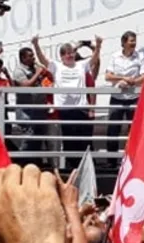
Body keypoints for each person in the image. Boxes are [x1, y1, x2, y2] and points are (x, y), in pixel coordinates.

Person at [32, 35, 102, 169]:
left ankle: (86, 167)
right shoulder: (56, 66)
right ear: (62, 56)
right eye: (67, 54)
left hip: (81, 108)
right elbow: (43, 60)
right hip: (65, 110)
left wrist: (98, 45)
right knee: (69, 141)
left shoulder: (81, 65)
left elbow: (94, 60)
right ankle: (72, 168)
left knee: (84, 141)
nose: (70, 56)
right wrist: (36, 44)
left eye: (71, 53)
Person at [105, 31, 144, 168]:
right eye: (131, 41)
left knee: (134, 130)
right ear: (123, 42)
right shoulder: (115, 56)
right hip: (117, 97)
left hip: (133, 97)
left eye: (135, 41)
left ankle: (133, 161)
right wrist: (122, 79)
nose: (134, 43)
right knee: (113, 129)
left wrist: (132, 82)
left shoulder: (139, 57)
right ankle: (111, 161)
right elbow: (108, 76)